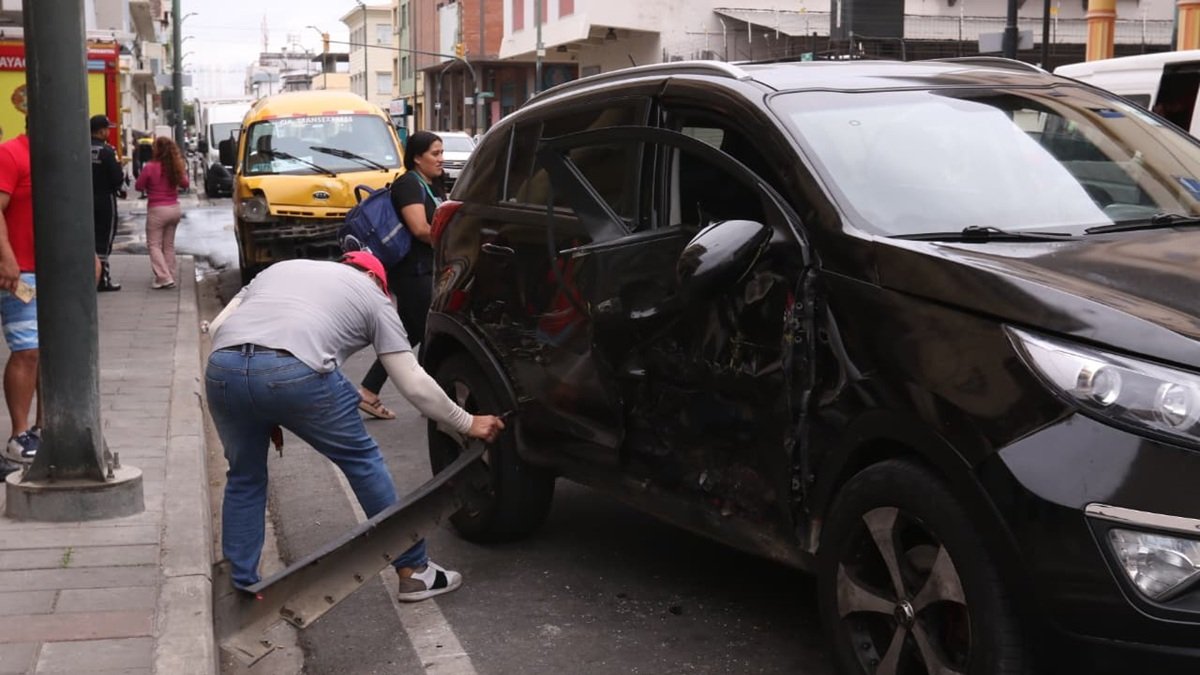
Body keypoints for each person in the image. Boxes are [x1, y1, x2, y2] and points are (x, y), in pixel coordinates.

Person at [205, 251, 505, 598]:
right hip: (294, 370)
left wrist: (253, 391)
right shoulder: (375, 299)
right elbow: (412, 382)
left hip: (223, 369)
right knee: (362, 461)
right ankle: (414, 569)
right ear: (378, 280)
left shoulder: (280, 269)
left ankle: (240, 590)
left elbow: (216, 327)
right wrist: (468, 422)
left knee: (244, 477)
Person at [357, 131, 444, 420]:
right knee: (420, 331)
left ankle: (374, 391)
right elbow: (420, 228)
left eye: (441, 153)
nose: (440, 159)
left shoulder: (431, 183)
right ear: (417, 157)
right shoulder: (409, 183)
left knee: (413, 331)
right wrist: (453, 237)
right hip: (411, 271)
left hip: (426, 269)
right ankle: (421, 396)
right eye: (435, 153)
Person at [0, 127, 40, 470]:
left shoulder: (62, 159)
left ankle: (43, 428)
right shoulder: (11, 154)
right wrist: (7, 257)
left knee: (51, 353)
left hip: (59, 274)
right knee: (27, 350)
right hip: (21, 272)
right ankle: (19, 433)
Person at [134, 136, 189, 289]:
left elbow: (138, 186)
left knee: (154, 245)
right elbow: (185, 183)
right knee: (169, 245)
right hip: (174, 209)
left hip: (157, 210)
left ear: (156, 150)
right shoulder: (176, 166)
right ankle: (169, 273)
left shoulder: (150, 167)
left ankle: (163, 277)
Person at [91, 115, 124, 292]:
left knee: (88, 237)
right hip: (105, 200)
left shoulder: (79, 147)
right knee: (104, 238)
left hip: (83, 200)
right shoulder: (107, 151)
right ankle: (102, 278)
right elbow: (117, 178)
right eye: (107, 129)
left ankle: (88, 275)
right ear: (102, 130)